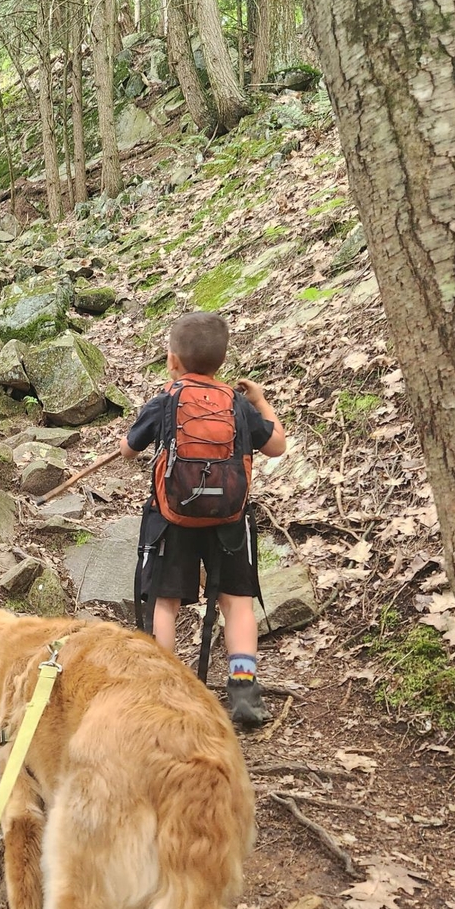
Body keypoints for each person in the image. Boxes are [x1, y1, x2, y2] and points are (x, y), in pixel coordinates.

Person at [120, 311, 286, 727]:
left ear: (172, 359)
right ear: (222, 362)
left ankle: (163, 688)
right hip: (229, 519)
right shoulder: (235, 403)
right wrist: (260, 402)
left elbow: (128, 450)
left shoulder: (165, 400)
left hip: (173, 517)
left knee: (165, 602)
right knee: (237, 602)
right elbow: (277, 447)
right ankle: (244, 688)